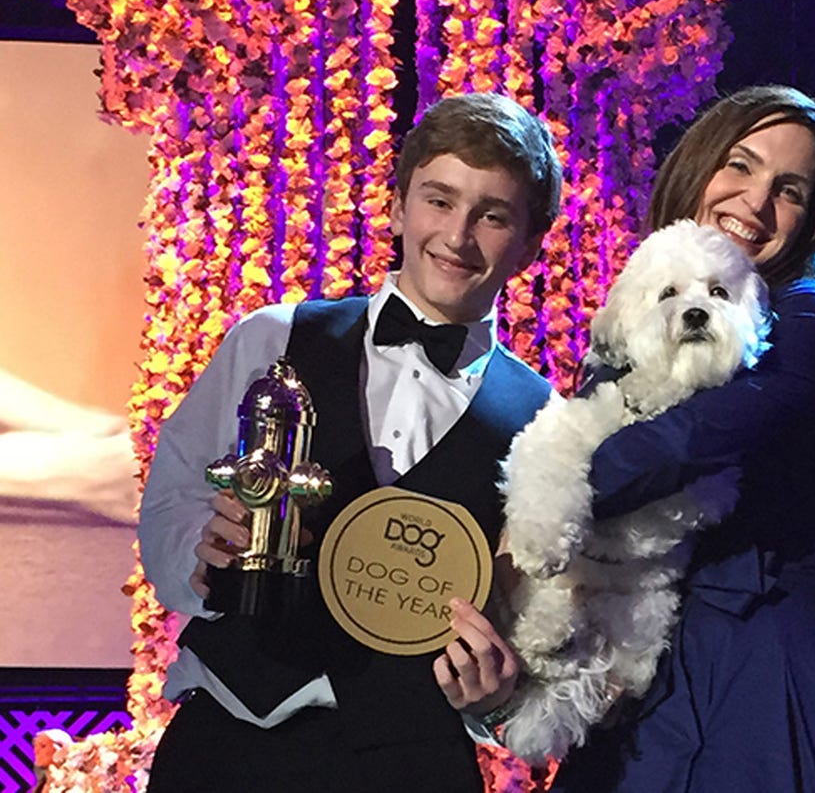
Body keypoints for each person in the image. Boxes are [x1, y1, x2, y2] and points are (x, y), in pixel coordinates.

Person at [137, 92, 562, 792]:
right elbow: (173, 499)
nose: (457, 236)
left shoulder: (545, 419)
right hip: (231, 739)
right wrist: (203, 553)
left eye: (492, 215)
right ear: (397, 207)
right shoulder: (273, 337)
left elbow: (530, 615)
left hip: (411, 759)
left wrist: (497, 696)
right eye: (439, 201)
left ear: (531, 242)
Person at [549, 85, 815, 791]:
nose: (755, 201)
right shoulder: (631, 322)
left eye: (790, 189)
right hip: (632, 653)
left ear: (809, 220)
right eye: (740, 166)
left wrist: (544, 495)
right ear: (698, 167)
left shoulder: (810, 317)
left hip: (754, 658)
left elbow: (688, 439)